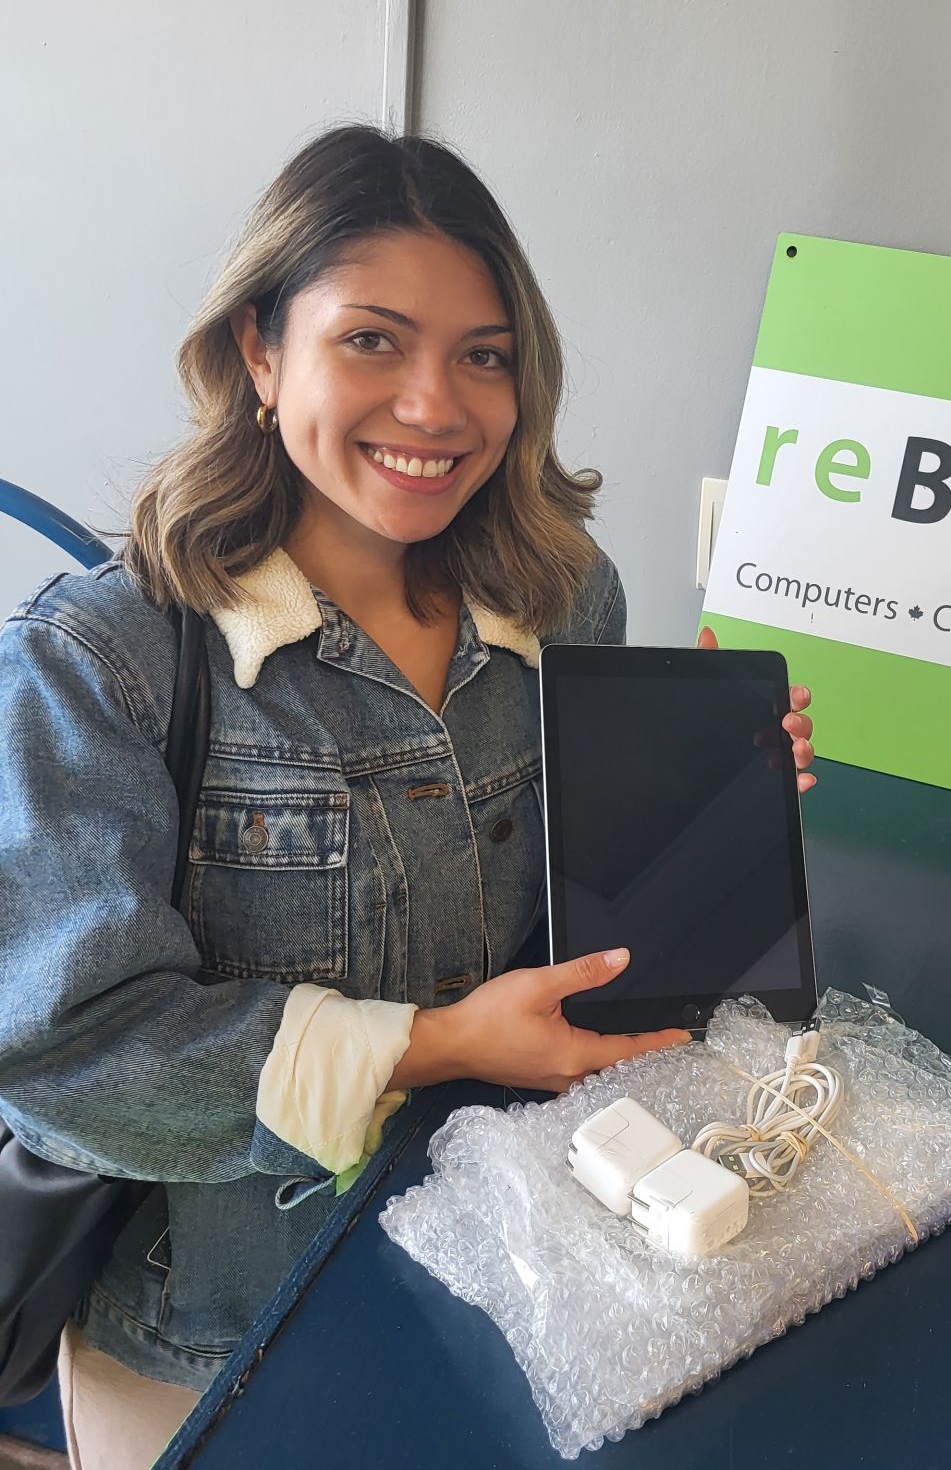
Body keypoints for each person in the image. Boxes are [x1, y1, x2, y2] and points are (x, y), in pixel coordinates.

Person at [0, 125, 816, 1469]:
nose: (436, 405)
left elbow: (586, 924)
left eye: (482, 355)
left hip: (521, 1273)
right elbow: (63, 1051)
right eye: (372, 340)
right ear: (261, 352)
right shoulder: (104, 666)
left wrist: (701, 816)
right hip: (226, 1342)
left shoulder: (565, 598)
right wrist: (430, 1047)